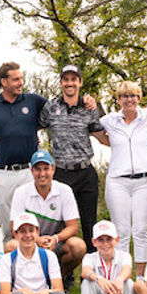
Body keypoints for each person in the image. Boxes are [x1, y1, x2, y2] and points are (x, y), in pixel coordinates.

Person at [0, 61, 49, 242]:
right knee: (9, 229)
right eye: (16, 79)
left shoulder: (33, 100)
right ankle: (10, 256)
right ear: (4, 82)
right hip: (4, 174)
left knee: (34, 225)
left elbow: (55, 111)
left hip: (30, 172)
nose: (20, 83)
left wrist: (31, 131)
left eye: (21, 78)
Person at [39, 64, 105, 248]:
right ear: (61, 83)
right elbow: (36, 126)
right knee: (60, 224)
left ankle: (91, 263)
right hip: (61, 173)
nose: (70, 83)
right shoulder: (50, 107)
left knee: (89, 223)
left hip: (85, 172)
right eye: (66, 80)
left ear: (80, 82)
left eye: (74, 79)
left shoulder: (89, 107)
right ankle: (61, 265)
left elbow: (101, 134)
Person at [99, 81, 147, 275]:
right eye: (124, 96)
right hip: (117, 181)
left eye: (133, 96)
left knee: (141, 231)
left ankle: (140, 278)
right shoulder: (109, 121)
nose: (129, 100)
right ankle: (121, 277)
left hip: (144, 181)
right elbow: (93, 129)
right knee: (122, 232)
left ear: (139, 98)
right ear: (118, 99)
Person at [7, 149, 87, 282]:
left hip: (56, 243)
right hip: (30, 241)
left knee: (78, 246)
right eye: (38, 169)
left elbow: (73, 227)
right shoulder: (21, 192)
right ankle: (24, 282)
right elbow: (13, 228)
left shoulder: (65, 190)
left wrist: (55, 239)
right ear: (32, 171)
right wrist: (36, 239)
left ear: (53, 169)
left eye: (46, 169)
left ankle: (59, 279)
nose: (42, 174)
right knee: (10, 247)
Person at [0, 214, 69, 294]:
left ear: (37, 232)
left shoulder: (49, 256)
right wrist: (22, 292)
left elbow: (58, 289)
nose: (27, 235)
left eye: (31, 230)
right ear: (15, 235)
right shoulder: (7, 259)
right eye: (22, 231)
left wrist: (46, 292)